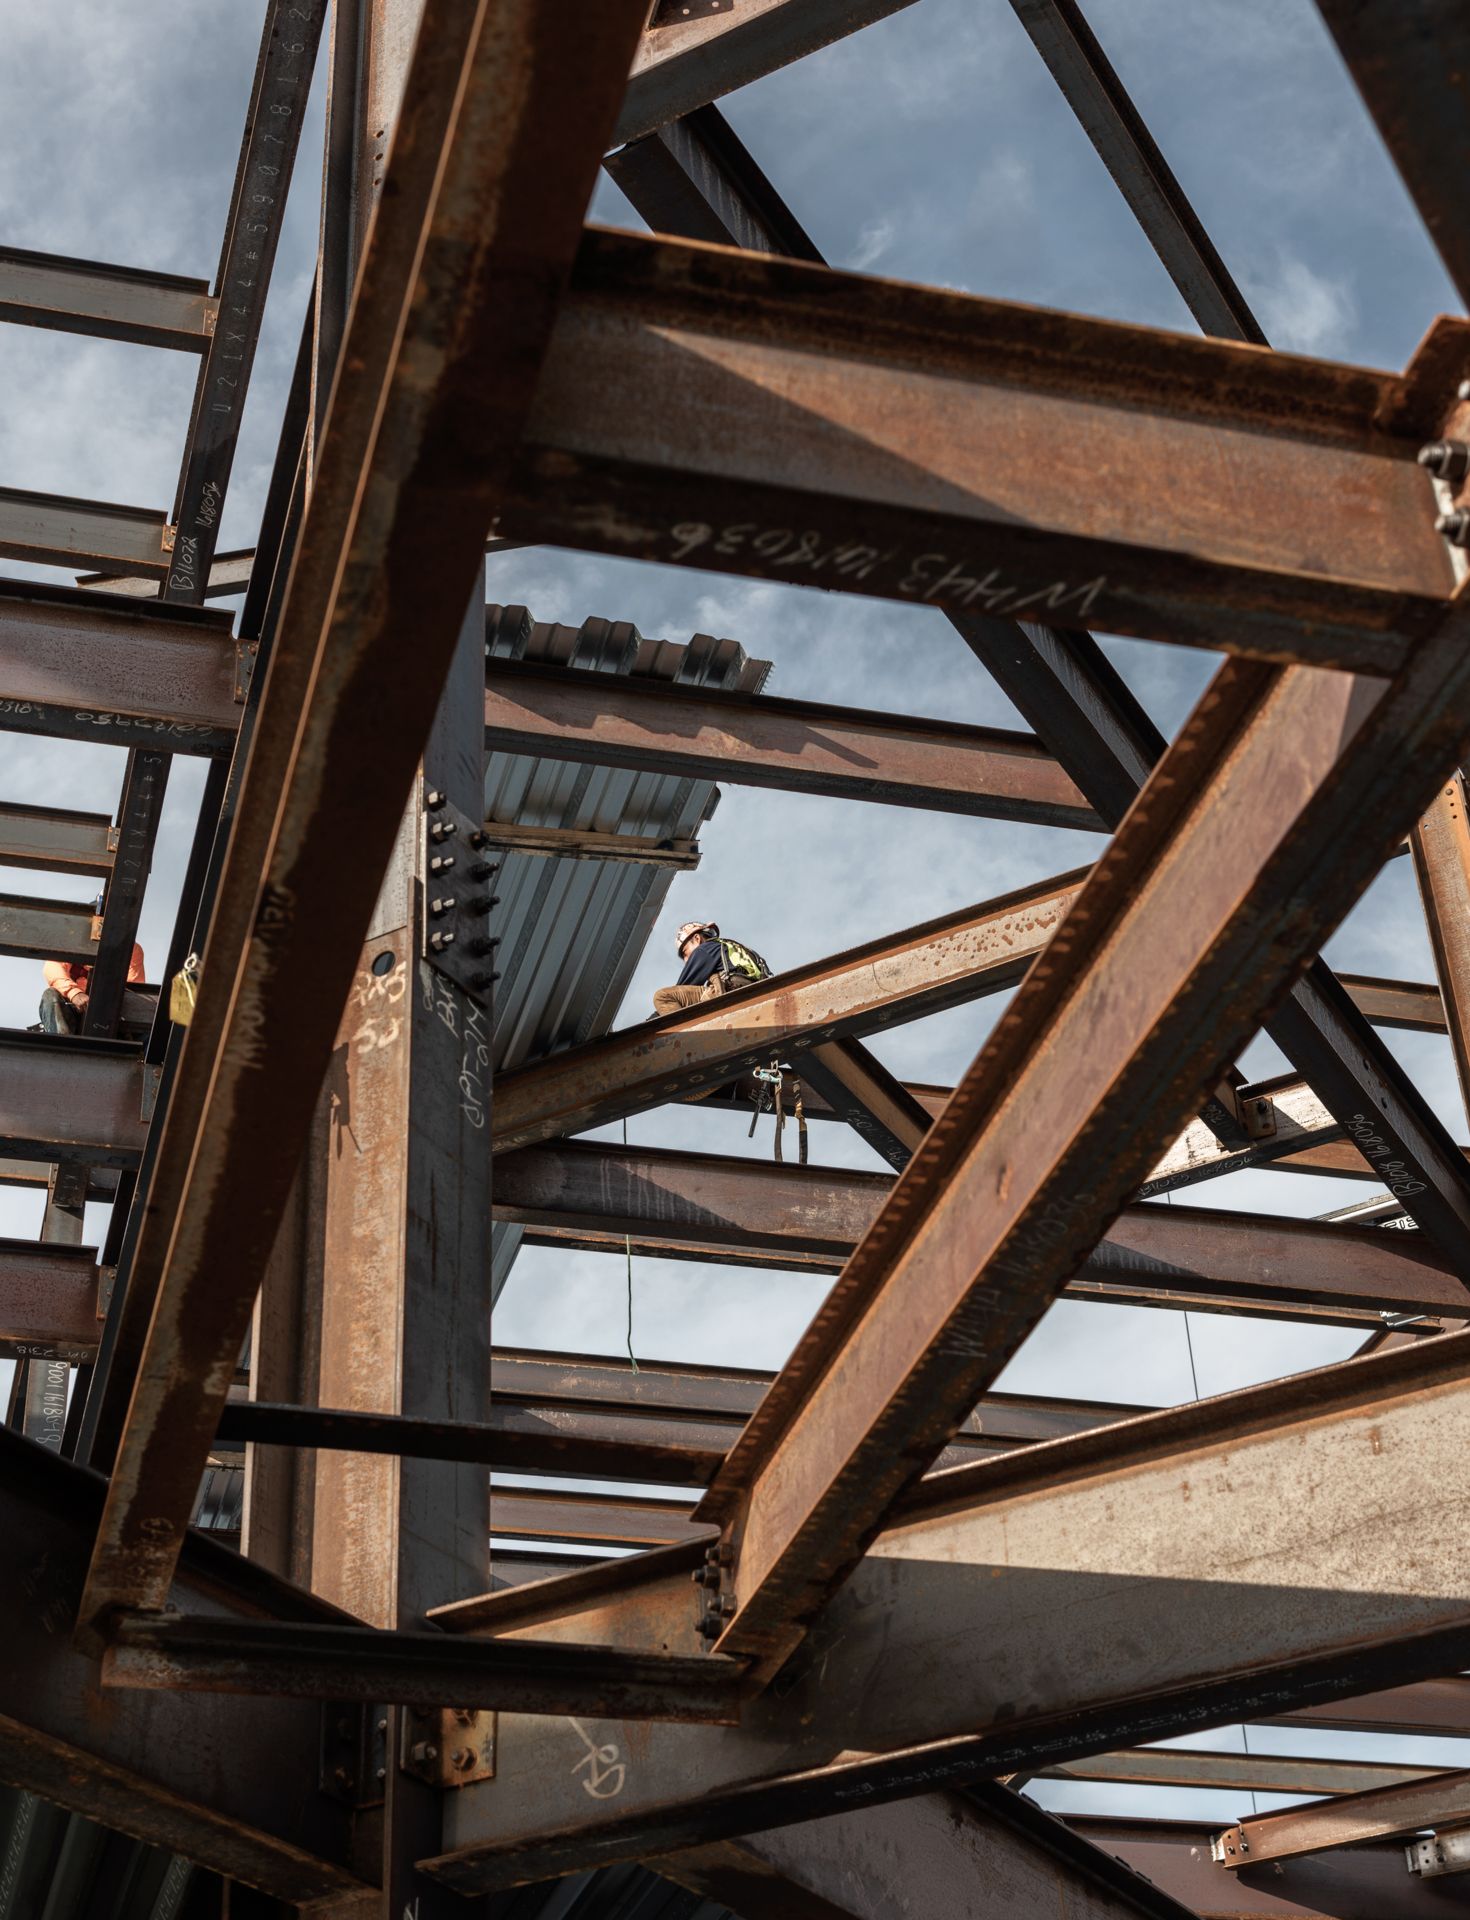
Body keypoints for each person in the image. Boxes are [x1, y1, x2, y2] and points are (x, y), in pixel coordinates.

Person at [39, 894, 146, 1035]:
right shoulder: (71, 941)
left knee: (143, 1016)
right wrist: (74, 993)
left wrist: (104, 1002)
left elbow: (133, 989)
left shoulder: (130, 950)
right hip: (72, 1008)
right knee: (50, 996)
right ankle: (62, 1040)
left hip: (110, 1016)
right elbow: (53, 968)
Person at [652, 920, 770, 1017]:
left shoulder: (704, 949)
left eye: (685, 952)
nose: (686, 960)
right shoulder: (726, 946)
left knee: (662, 996)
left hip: (729, 990)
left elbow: (681, 988)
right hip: (750, 989)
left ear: (697, 939)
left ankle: (683, 1036)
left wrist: (654, 1017)